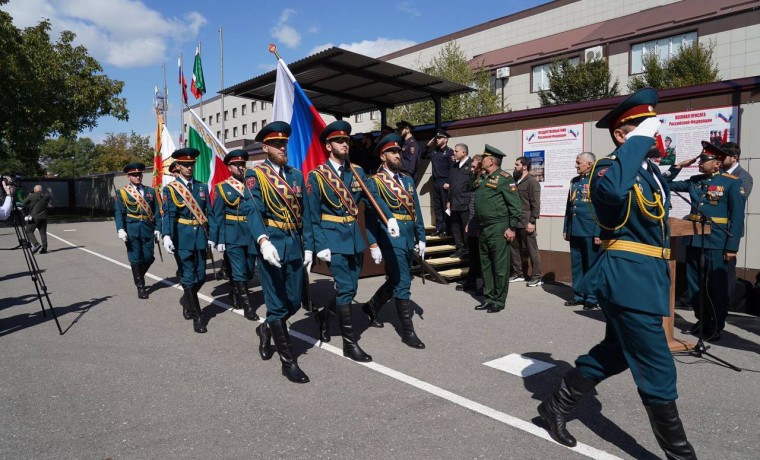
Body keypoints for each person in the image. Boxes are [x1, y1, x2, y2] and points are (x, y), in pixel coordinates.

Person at [537, 87, 697, 459]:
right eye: (645, 127)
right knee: (657, 366)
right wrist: (637, 142)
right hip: (626, 277)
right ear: (623, 135)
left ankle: (555, 405)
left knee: (617, 351)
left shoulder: (649, 171)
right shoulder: (610, 168)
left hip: (646, 275)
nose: (654, 133)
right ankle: (681, 456)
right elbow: (610, 194)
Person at [304, 120, 396, 361]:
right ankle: (349, 343)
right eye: (339, 140)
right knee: (345, 287)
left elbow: (373, 197)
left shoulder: (356, 170)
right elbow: (312, 215)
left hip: (353, 237)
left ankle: (324, 316)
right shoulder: (317, 176)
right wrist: (318, 244)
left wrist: (390, 218)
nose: (345, 144)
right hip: (332, 238)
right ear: (328, 145)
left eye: (346, 140)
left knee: (352, 287)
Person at [246, 121, 310, 383]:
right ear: (265, 148)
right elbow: (253, 210)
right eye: (276, 144)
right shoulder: (255, 176)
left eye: (284, 143)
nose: (282, 147)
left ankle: (265, 327)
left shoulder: (295, 175)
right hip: (271, 244)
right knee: (275, 302)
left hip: (293, 243)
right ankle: (288, 362)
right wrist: (262, 240)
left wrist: (309, 245)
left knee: (294, 301)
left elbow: (304, 213)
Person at [667, 141, 744, 341]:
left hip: (716, 241)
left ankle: (717, 324)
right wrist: (677, 167)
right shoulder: (695, 180)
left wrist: (732, 247)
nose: (700, 163)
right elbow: (665, 184)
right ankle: (702, 320)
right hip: (694, 240)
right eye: (700, 159)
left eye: (704, 160)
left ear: (717, 163)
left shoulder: (731, 183)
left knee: (715, 286)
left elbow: (736, 218)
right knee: (695, 285)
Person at [362, 133, 426, 349]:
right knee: (403, 283)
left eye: (399, 151)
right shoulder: (375, 182)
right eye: (393, 152)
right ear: (383, 156)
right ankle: (408, 332)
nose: (398, 155)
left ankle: (371, 306)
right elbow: (370, 217)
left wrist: (422, 237)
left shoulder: (407, 179)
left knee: (395, 280)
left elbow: (416, 210)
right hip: (390, 237)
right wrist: (373, 243)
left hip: (408, 235)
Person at [161, 148, 211, 334]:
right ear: (178, 166)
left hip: (200, 237)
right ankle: (198, 317)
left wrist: (212, 235)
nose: (189, 168)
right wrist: (167, 235)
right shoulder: (171, 189)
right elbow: (169, 214)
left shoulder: (202, 187)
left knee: (201, 276)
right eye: (185, 165)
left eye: (191, 164)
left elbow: (208, 213)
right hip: (182, 237)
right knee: (188, 276)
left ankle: (186, 299)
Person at [209, 149, 260, 321]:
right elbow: (218, 215)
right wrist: (220, 239)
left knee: (249, 271)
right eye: (237, 165)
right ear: (229, 167)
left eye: (243, 164)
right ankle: (248, 307)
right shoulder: (222, 188)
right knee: (239, 271)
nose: (241, 168)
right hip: (233, 234)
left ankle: (234, 289)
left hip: (251, 233)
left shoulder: (253, 185)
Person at [472, 145, 521, 313]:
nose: (481, 161)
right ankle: (489, 298)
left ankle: (499, 301)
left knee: (500, 266)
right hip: (484, 227)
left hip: (499, 226)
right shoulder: (483, 179)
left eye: (484, 159)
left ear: (491, 161)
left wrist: (512, 227)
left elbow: (515, 206)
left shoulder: (505, 178)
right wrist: (476, 171)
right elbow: (468, 188)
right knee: (485, 265)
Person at [114, 164, 160, 299]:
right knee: (135, 258)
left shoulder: (151, 191)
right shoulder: (122, 192)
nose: (137, 177)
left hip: (147, 229)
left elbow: (157, 212)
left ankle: (139, 275)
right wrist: (120, 229)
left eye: (139, 174)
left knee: (149, 257)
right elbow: (119, 213)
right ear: (128, 177)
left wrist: (158, 228)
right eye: (134, 175)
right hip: (132, 229)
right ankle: (140, 286)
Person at [562, 152, 600, 310]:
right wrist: (566, 228)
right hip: (575, 229)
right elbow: (569, 207)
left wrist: (599, 232)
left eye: (579, 162)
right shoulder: (575, 182)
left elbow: (601, 209)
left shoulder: (598, 181)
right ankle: (578, 295)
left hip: (591, 230)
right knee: (577, 264)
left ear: (589, 164)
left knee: (591, 265)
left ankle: (592, 297)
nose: (576, 165)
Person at [721, 141, 753, 308]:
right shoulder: (718, 173)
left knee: (726, 273)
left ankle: (723, 310)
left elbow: (735, 206)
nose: (719, 159)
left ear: (734, 158)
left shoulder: (744, 177)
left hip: (728, 231)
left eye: (723, 156)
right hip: (713, 232)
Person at [509, 157, 543, 287]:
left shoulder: (532, 182)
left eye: (516, 164)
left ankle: (536, 276)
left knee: (531, 249)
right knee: (514, 248)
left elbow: (536, 204)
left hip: (526, 221)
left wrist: (532, 222)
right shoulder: (515, 182)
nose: (514, 167)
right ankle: (518, 273)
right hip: (514, 221)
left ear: (524, 166)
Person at [456, 154, 483, 293]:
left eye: (473, 166)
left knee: (480, 256)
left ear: (480, 166)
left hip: (480, 223)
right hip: (472, 221)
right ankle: (471, 282)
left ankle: (480, 285)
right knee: (473, 255)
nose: (471, 169)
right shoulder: (475, 179)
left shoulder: (484, 181)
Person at [424, 129, 454, 236]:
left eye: (439, 137)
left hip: (444, 182)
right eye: (436, 138)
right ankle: (439, 228)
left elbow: (452, 169)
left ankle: (446, 229)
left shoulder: (450, 152)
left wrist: (448, 182)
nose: (437, 139)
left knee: (445, 206)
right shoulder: (434, 151)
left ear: (445, 139)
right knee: (437, 206)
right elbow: (423, 155)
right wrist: (428, 145)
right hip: (436, 182)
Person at [447, 143, 473, 259]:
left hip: (465, 202)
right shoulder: (454, 166)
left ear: (463, 152)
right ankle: (460, 248)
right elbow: (451, 184)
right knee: (455, 226)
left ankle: (468, 249)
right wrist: (448, 200)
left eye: (456, 151)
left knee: (466, 227)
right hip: (454, 202)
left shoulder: (471, 165)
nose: (454, 153)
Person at [22, 184, 52, 254]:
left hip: (34, 217)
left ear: (35, 190)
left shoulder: (31, 196)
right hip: (44, 217)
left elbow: (23, 203)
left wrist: (24, 214)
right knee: (43, 233)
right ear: (41, 190)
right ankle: (44, 249)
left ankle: (36, 244)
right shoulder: (47, 196)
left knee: (28, 230)